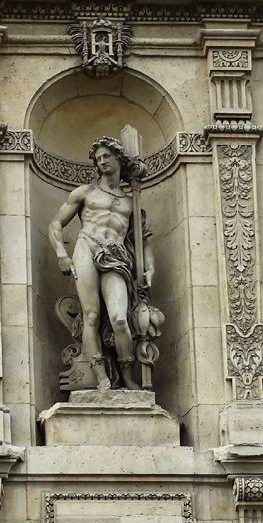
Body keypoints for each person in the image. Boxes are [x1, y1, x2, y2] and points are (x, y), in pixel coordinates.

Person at [48, 137, 154, 392]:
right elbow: (55, 224)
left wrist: (150, 268)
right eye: (98, 158)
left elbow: (143, 242)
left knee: (119, 319)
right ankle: (100, 377)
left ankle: (127, 374)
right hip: (87, 246)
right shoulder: (85, 193)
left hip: (116, 255)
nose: (102, 161)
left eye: (107, 156)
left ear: (119, 158)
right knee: (91, 315)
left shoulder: (131, 203)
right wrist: (61, 252)